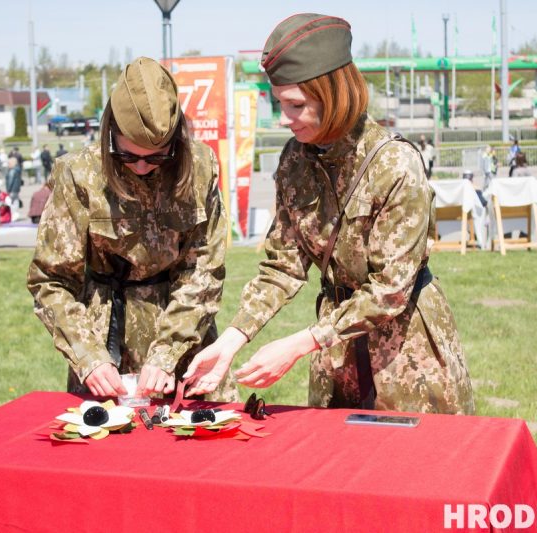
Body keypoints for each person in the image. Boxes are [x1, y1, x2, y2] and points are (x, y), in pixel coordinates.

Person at [183, 14, 474, 415]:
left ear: (334, 94)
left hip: (407, 354)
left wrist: (301, 343)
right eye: (278, 103)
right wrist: (231, 339)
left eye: (296, 105)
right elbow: (282, 266)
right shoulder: (295, 161)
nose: (284, 118)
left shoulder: (394, 164)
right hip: (335, 355)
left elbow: (390, 289)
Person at [27, 57, 237, 402]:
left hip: (184, 333)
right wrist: (89, 357)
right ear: (111, 132)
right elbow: (50, 281)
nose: (141, 167)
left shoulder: (199, 167)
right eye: (127, 156)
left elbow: (203, 271)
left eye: (156, 157)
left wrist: (168, 352)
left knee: (204, 444)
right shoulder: (80, 174)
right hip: (105, 345)